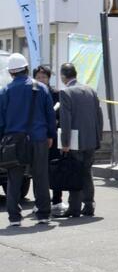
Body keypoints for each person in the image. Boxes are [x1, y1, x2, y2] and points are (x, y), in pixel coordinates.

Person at [0, 53, 56, 227]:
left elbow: (1, 120)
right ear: (26, 68)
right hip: (38, 138)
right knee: (40, 176)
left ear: (10, 72)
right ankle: (43, 214)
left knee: (14, 177)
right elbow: (50, 116)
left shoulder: (5, 91)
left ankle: (14, 217)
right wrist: (50, 136)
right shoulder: (41, 88)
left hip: (13, 140)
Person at [56, 63, 104, 218]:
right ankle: (89, 205)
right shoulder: (90, 90)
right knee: (87, 172)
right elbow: (99, 116)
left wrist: (65, 143)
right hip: (91, 139)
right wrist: (98, 136)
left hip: (75, 141)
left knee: (75, 173)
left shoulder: (66, 92)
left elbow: (66, 120)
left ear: (63, 76)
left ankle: (74, 207)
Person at [32, 65, 63, 213]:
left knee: (55, 168)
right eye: (38, 77)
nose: (41, 79)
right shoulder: (32, 93)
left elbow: (63, 114)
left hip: (54, 136)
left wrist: (56, 121)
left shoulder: (56, 93)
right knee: (38, 170)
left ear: (49, 78)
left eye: (43, 77)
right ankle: (38, 201)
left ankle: (57, 200)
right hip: (38, 137)